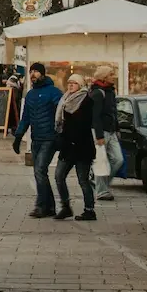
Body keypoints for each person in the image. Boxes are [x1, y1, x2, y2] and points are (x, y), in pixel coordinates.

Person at [11, 62, 62, 218]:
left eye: (36, 72)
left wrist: (60, 133)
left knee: (40, 170)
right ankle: (50, 207)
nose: (33, 74)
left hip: (49, 138)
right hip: (36, 139)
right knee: (39, 172)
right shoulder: (31, 94)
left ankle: (41, 206)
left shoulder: (53, 92)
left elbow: (62, 112)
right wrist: (18, 136)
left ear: (43, 74)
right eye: (31, 71)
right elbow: (25, 118)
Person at [51, 74, 99, 221]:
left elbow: (83, 125)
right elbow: (61, 122)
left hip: (82, 147)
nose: (71, 85)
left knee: (83, 180)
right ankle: (66, 206)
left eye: (74, 83)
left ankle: (89, 210)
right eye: (69, 82)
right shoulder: (65, 99)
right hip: (67, 147)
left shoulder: (86, 100)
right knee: (59, 176)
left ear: (80, 85)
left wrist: (71, 137)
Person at [89, 65, 121, 200]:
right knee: (101, 162)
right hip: (101, 131)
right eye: (111, 74)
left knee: (118, 160)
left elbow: (113, 112)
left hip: (111, 131)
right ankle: (102, 191)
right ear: (104, 77)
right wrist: (99, 135)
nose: (114, 76)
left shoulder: (111, 92)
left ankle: (98, 182)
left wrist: (117, 128)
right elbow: (95, 116)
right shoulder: (98, 93)